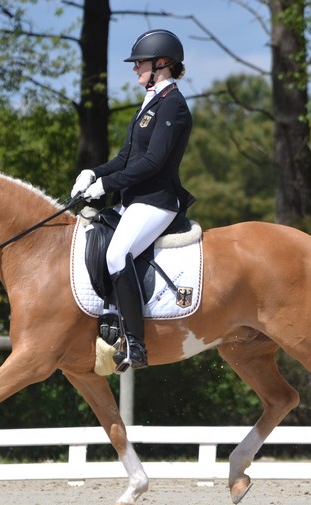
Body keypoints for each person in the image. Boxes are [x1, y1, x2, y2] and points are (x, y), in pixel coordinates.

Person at [71, 29, 196, 373]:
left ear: (161, 64)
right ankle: (109, 316)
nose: (134, 68)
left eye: (139, 62)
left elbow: (153, 162)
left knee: (116, 254)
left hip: (156, 201)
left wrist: (106, 185)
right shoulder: (151, 102)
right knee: (96, 239)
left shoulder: (174, 105)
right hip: (133, 200)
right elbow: (127, 156)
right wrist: (93, 174)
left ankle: (137, 345)